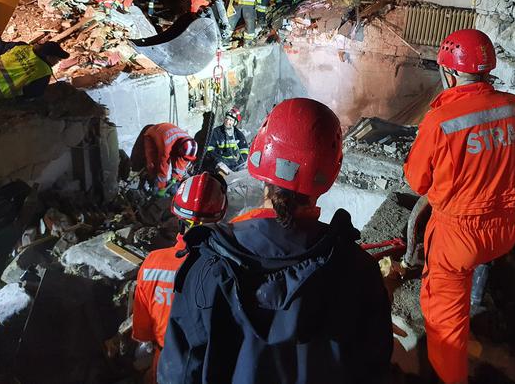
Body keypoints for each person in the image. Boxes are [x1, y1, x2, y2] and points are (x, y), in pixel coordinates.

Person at [158, 98, 393, 384]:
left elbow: (179, 372)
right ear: (330, 171)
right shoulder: (357, 271)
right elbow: (373, 369)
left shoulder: (207, 266)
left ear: (258, 156)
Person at [403, 29, 515, 384]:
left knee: (444, 321)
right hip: (508, 227)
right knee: (476, 262)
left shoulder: (441, 121)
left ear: (449, 72)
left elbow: (417, 182)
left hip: (458, 240)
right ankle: (478, 304)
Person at [133, 172, 228, 384]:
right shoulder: (225, 268)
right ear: (220, 215)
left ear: (177, 215)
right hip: (209, 368)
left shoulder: (152, 263)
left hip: (164, 365)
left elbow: (143, 331)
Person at [0, 25, 69, 103]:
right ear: (49, 57)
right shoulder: (44, 72)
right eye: (57, 59)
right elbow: (32, 94)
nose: (58, 62)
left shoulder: (22, 47)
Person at [131, 123, 198, 197]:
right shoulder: (166, 147)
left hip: (165, 136)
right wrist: (161, 188)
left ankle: (152, 185)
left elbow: (181, 163)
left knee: (163, 172)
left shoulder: (188, 143)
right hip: (151, 135)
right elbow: (163, 168)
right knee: (152, 165)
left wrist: (175, 179)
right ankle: (146, 185)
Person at [205, 107, 249, 173]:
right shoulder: (216, 132)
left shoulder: (238, 134)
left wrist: (240, 163)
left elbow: (244, 150)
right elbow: (209, 150)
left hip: (233, 164)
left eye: (231, 120)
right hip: (219, 163)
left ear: (235, 123)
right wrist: (218, 160)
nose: (227, 121)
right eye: (226, 118)